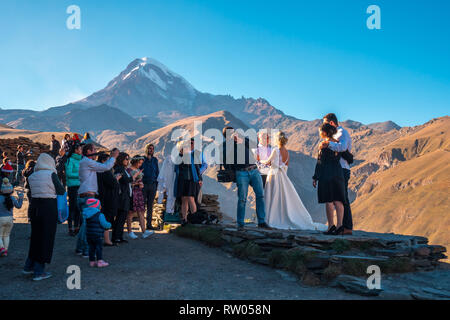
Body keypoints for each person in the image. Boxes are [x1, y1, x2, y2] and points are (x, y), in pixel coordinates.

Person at [261, 132, 327, 231]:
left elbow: (267, 162)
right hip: (283, 178)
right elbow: (285, 167)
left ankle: (270, 218)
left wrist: (259, 160)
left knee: (272, 197)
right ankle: (280, 217)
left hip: (274, 176)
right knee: (281, 198)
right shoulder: (287, 152)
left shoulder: (275, 150)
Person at [23, 153, 65, 281]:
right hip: (48, 208)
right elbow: (61, 191)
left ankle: (28, 266)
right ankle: (39, 271)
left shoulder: (32, 175)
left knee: (36, 238)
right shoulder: (51, 175)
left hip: (35, 207)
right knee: (45, 239)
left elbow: (28, 189)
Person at [220, 126, 270, 231]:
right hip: (241, 173)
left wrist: (241, 140)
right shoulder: (225, 145)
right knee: (242, 199)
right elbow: (226, 162)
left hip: (254, 170)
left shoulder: (242, 139)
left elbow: (255, 145)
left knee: (260, 195)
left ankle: (261, 221)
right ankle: (240, 223)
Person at [76, 144, 118, 256]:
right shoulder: (87, 162)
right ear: (89, 151)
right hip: (88, 197)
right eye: (94, 150)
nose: (96, 151)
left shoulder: (86, 163)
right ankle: (86, 250)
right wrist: (113, 157)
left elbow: (101, 168)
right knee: (88, 224)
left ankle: (80, 248)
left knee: (85, 224)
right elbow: (104, 167)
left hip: (83, 196)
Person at [320, 113, 353, 235]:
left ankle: (346, 227)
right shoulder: (334, 134)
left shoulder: (342, 133)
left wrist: (329, 144)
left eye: (325, 123)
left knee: (342, 198)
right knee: (337, 198)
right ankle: (340, 226)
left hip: (342, 169)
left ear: (332, 123)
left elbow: (343, 147)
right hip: (335, 170)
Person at [313, 123, 347, 235]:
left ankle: (331, 226)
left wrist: (315, 177)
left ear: (324, 132)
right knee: (338, 200)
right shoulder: (337, 143)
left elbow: (320, 162)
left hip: (327, 174)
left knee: (329, 201)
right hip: (338, 173)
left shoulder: (324, 144)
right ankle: (340, 226)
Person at [174, 141, 203, 225]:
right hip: (182, 181)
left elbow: (197, 169)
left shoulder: (193, 157)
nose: (187, 149)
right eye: (185, 147)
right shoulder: (178, 158)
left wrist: (200, 179)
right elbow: (176, 170)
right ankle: (184, 219)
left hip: (191, 180)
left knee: (191, 198)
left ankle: (194, 218)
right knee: (184, 200)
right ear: (180, 149)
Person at [127, 155, 153, 239]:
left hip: (139, 192)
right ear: (135, 162)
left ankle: (144, 231)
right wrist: (137, 183)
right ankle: (130, 231)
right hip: (132, 192)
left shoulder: (138, 170)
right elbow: (128, 183)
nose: (140, 165)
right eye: (139, 163)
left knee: (141, 211)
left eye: (141, 163)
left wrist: (141, 184)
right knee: (130, 212)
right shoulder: (128, 170)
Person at [97, 152, 120, 246]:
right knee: (106, 217)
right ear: (103, 161)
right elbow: (112, 183)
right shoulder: (105, 171)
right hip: (107, 197)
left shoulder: (98, 170)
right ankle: (107, 240)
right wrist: (116, 179)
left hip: (101, 196)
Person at [111, 152, 133, 244]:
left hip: (126, 195)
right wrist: (133, 177)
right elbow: (125, 180)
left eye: (128, 159)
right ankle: (116, 237)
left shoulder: (123, 169)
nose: (128, 161)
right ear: (121, 159)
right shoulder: (119, 169)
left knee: (123, 217)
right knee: (120, 217)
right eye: (126, 159)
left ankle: (119, 236)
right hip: (121, 196)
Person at [83, 198, 111, 267]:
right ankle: (100, 261)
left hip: (89, 234)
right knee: (98, 248)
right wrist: (109, 225)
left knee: (91, 248)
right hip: (98, 235)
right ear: (97, 206)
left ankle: (92, 261)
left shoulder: (86, 214)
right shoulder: (100, 215)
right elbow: (104, 224)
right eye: (100, 205)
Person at [0, 178, 24, 257]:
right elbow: (19, 206)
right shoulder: (12, 198)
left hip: (1, 219)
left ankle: (2, 248)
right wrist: (20, 197)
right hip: (10, 219)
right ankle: (5, 251)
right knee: (6, 235)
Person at [140, 144, 159, 230]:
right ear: (146, 149)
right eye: (149, 148)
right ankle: (142, 224)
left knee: (150, 205)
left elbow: (157, 172)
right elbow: (139, 172)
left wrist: (156, 184)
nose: (151, 150)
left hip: (152, 185)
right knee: (142, 205)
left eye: (152, 149)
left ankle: (149, 224)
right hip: (144, 185)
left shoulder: (155, 160)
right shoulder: (142, 160)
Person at [65, 143, 82, 236]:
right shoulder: (70, 160)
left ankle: (76, 227)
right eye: (80, 149)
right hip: (72, 186)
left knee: (78, 208)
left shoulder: (80, 160)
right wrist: (80, 175)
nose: (81, 150)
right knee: (72, 207)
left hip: (79, 186)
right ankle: (70, 228)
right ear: (76, 150)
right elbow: (68, 173)